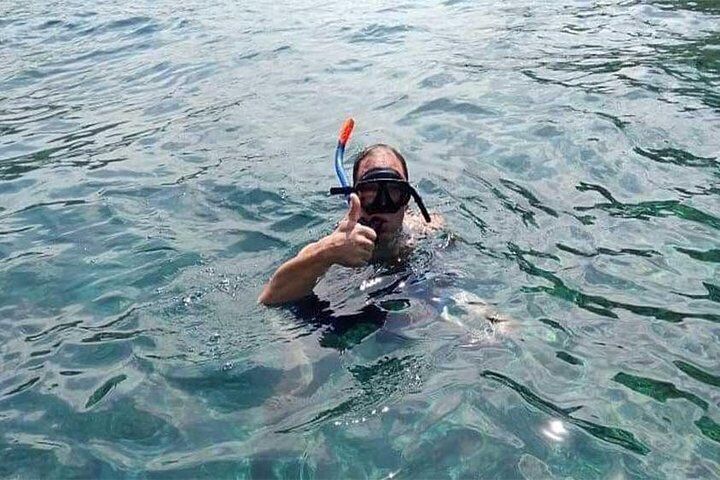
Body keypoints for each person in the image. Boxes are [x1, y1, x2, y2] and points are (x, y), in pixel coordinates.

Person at [258, 144, 442, 306]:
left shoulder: (424, 230)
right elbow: (269, 299)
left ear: (407, 200)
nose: (382, 206)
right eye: (370, 193)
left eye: (394, 192)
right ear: (355, 198)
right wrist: (327, 252)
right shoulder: (336, 245)